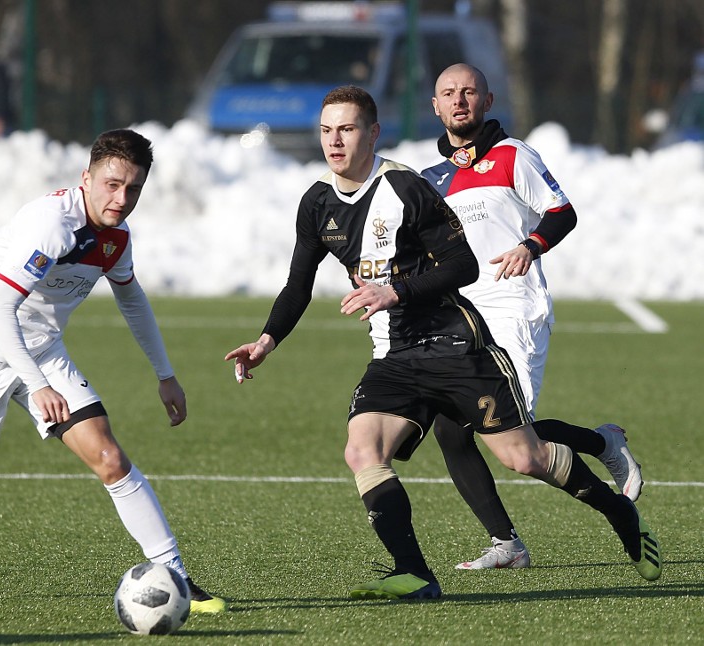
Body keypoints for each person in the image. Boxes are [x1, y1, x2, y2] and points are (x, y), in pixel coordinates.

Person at [224, 85, 661, 601]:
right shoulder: (317, 202)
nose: (334, 141)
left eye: (347, 129)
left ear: (373, 133)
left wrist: (396, 289)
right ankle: (414, 572)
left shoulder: (406, 188)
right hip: (394, 355)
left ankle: (617, 510)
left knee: (525, 458)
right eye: (326, 130)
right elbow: (298, 282)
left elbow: (463, 266)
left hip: (457, 345)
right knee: (363, 450)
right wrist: (266, 340)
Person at [0, 128, 226, 614]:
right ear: (86, 177)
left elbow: (131, 298)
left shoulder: (116, 238)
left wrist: (165, 374)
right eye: (112, 184)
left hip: (41, 349)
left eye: (133, 188)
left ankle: (174, 575)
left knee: (110, 458)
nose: (122, 198)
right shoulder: (51, 225)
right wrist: (38, 385)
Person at [420, 63, 644, 570]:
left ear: (488, 101)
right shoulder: (431, 178)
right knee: (452, 428)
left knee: (513, 433)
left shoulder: (512, 155)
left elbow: (562, 211)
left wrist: (530, 245)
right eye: (448, 94)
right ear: (434, 106)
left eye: (469, 92)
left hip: (515, 306)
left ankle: (603, 442)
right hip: (464, 317)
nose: (459, 101)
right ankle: (507, 544)